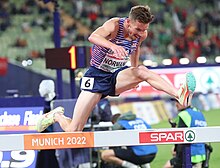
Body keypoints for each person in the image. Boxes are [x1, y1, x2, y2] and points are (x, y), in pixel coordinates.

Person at [36, 5, 196, 133]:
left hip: (115, 75)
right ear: (128, 22)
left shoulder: (142, 34)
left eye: (144, 29)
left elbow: (136, 49)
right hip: (96, 76)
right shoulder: (114, 25)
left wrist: (134, 73)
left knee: (142, 71)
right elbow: (93, 37)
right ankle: (56, 115)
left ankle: (178, 94)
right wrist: (112, 46)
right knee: (74, 130)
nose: (141, 33)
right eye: (138, 29)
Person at [164, 99, 207, 168]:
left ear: (186, 103)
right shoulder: (199, 112)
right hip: (201, 153)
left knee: (167, 165)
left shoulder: (184, 114)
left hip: (189, 153)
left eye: (178, 102)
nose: (176, 104)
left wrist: (176, 149)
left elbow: (180, 138)